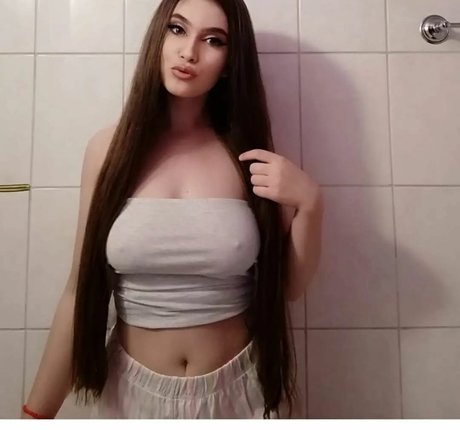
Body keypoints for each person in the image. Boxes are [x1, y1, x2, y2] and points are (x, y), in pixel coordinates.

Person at [22, 0, 320, 419]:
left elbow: (287, 287)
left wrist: (311, 204)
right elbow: (79, 290)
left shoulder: (249, 156)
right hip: (131, 394)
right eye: (177, 30)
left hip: (242, 391)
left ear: (230, 63)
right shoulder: (108, 151)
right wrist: (34, 415)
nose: (189, 52)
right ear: (157, 37)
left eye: (213, 40)